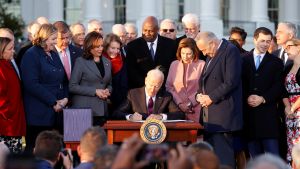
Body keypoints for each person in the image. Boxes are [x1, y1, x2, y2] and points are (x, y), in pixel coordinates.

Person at [195, 31, 243, 167]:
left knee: (224, 158)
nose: (204, 54)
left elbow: (231, 81)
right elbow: (205, 79)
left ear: (212, 43)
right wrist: (199, 94)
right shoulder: (212, 52)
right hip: (209, 116)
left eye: (204, 50)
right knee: (211, 158)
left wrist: (211, 97)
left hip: (223, 116)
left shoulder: (230, 51)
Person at [20, 24, 69, 154]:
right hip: (39, 115)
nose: (56, 42)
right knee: (38, 155)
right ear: (44, 38)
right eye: (53, 39)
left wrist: (65, 99)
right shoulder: (31, 55)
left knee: (54, 153)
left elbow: (62, 79)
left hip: (56, 114)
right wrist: (53, 102)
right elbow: (31, 84)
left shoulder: (53, 54)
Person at [242, 27, 283, 158]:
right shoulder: (242, 59)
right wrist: (246, 98)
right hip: (249, 118)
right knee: (255, 159)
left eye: (268, 41)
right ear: (254, 40)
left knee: (274, 158)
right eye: (262, 41)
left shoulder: (276, 62)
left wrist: (263, 98)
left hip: (268, 118)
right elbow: (238, 83)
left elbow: (278, 86)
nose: (266, 44)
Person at [69, 31, 112, 126]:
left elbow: (109, 84)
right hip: (84, 111)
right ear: (89, 47)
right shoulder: (80, 62)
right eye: (97, 46)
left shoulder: (107, 62)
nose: (101, 49)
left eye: (102, 45)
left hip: (102, 111)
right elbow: (72, 86)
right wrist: (95, 91)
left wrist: (108, 91)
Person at [113, 68, 185, 120]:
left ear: (161, 84)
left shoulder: (166, 96)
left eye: (156, 86)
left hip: (158, 135)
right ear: (146, 81)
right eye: (151, 85)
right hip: (137, 134)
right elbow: (117, 113)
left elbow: (179, 114)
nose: (152, 89)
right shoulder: (133, 94)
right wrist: (131, 117)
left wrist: (161, 117)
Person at [125, 16, 176, 89]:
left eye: (150, 31)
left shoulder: (170, 45)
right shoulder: (133, 46)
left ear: (157, 30)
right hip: (141, 89)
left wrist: (159, 85)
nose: (147, 33)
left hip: (164, 89)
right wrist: (148, 85)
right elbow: (131, 71)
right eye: (144, 30)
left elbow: (173, 69)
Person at [166, 38, 205, 122]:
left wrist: (191, 102)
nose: (185, 56)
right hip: (177, 109)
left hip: (197, 108)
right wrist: (180, 103)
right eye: (183, 53)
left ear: (194, 52)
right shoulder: (174, 64)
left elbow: (204, 87)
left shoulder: (202, 64)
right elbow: (169, 87)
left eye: (188, 54)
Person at [0, 37, 26, 154]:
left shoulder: (7, 64)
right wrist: (9, 113)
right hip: (7, 125)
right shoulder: (1, 68)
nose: (13, 51)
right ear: (1, 51)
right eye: (10, 49)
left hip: (15, 121)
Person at [282, 38, 300, 164]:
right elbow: (282, 90)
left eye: (289, 47)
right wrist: (288, 107)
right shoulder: (288, 66)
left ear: (298, 47)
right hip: (290, 113)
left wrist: (293, 109)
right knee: (291, 145)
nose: (285, 50)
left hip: (298, 111)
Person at [102, 33, 128, 113]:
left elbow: (124, 85)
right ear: (106, 47)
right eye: (112, 48)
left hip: (119, 105)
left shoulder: (122, 61)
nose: (115, 51)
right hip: (102, 102)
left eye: (118, 48)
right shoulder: (99, 60)